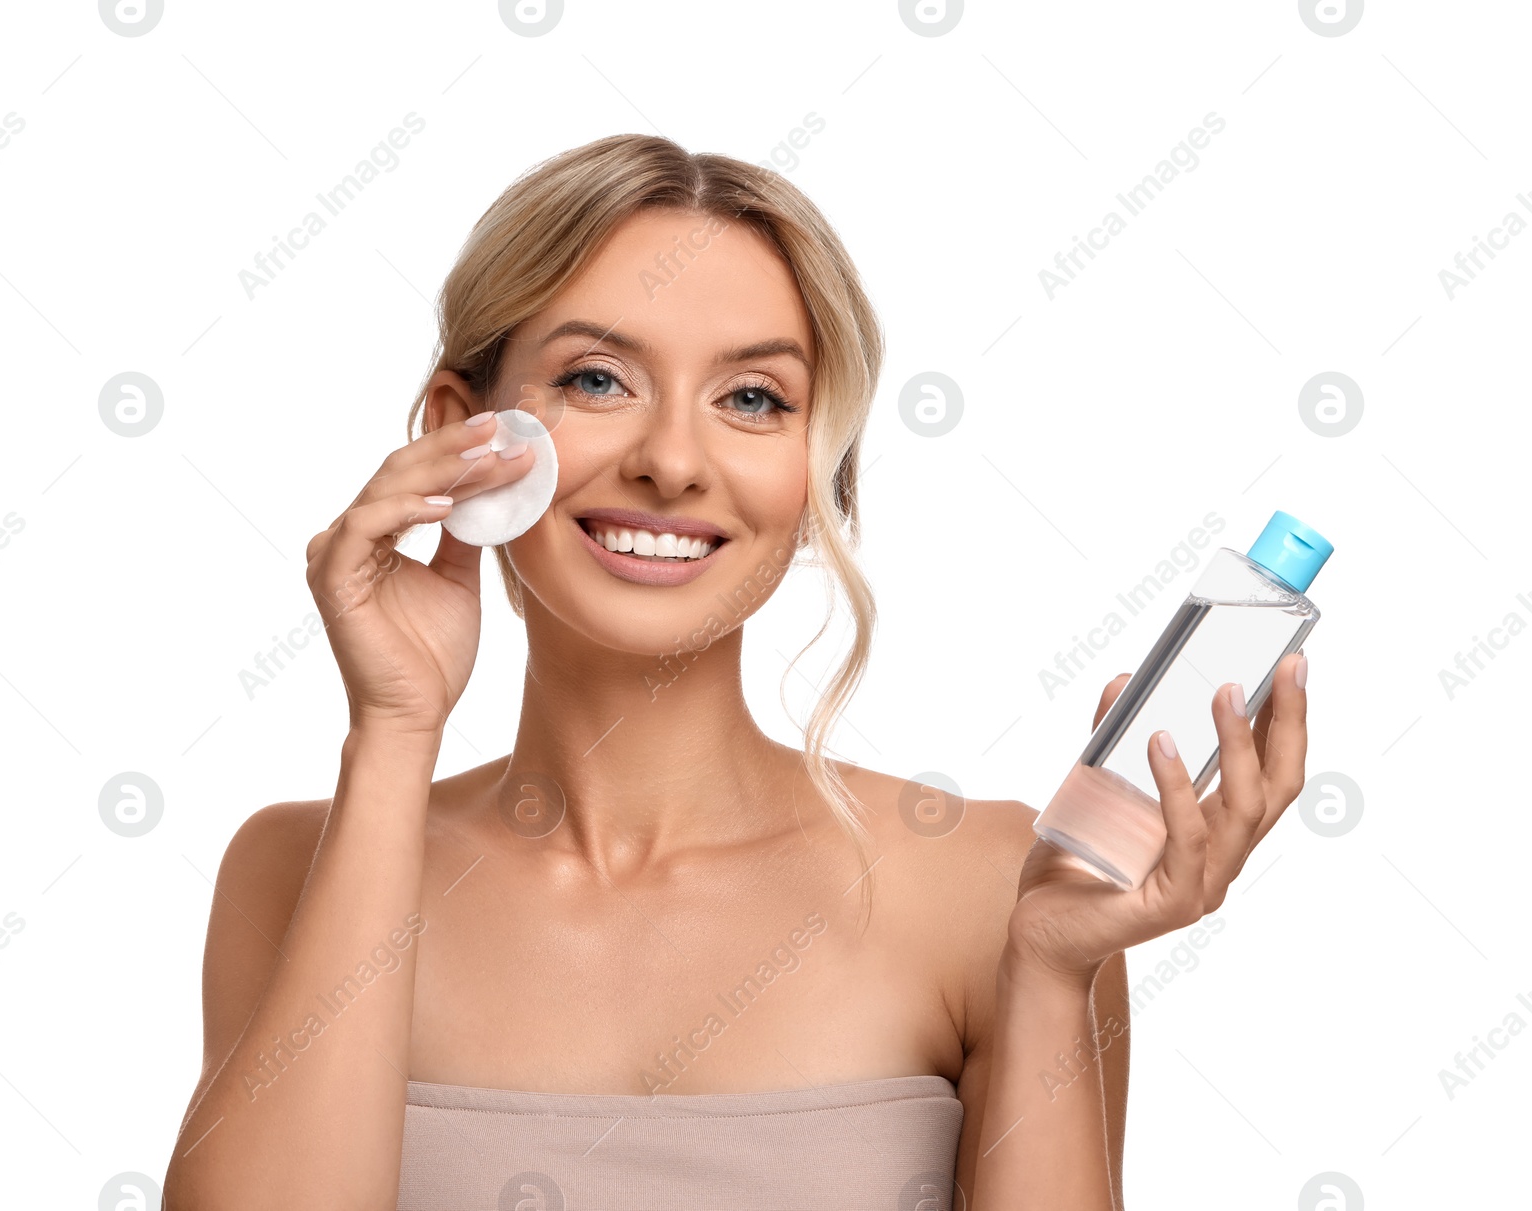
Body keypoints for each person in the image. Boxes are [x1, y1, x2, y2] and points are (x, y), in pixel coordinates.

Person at [162, 133, 1309, 1210]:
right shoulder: (296, 866)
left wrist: (1053, 970)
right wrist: (394, 729)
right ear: (466, 432)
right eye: (598, 379)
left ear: (819, 480)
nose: (670, 460)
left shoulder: (1001, 887)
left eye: (752, 399)